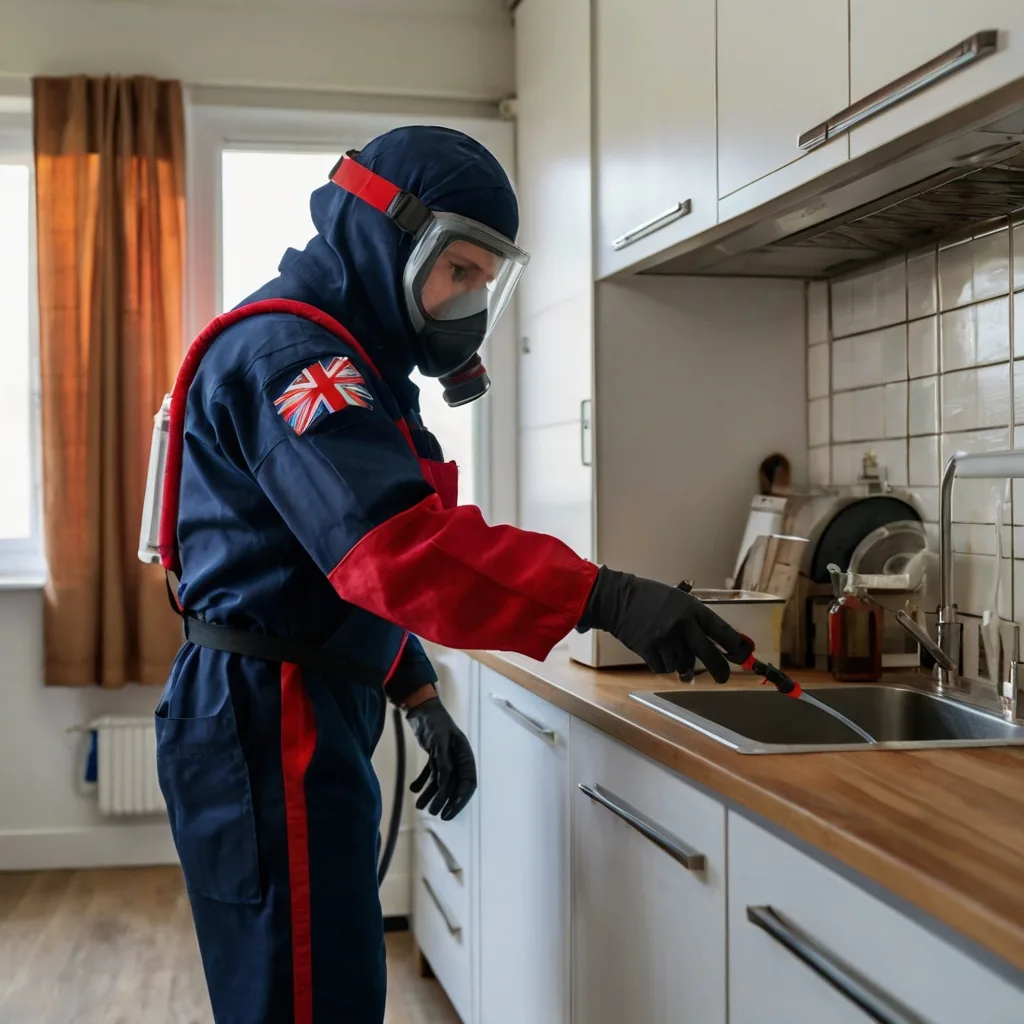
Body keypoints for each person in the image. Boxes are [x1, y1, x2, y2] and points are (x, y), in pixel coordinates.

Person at [154, 125, 747, 1024]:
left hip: (294, 696)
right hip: (270, 713)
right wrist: (602, 594)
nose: (469, 301)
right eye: (458, 271)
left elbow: (303, 568)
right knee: (304, 997)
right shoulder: (298, 363)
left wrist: (416, 691)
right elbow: (393, 548)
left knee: (328, 978)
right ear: (386, 237)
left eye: (483, 279)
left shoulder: (345, 360)